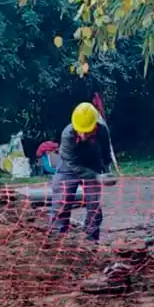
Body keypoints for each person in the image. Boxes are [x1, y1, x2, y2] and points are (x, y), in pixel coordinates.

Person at [48, 102, 113, 241]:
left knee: (94, 204)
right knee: (62, 200)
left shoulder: (102, 130)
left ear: (95, 126)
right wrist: (97, 176)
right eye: (80, 131)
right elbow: (72, 164)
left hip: (93, 164)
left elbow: (106, 150)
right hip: (69, 167)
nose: (83, 135)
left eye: (87, 131)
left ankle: (91, 239)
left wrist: (107, 169)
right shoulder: (67, 135)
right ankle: (57, 238)